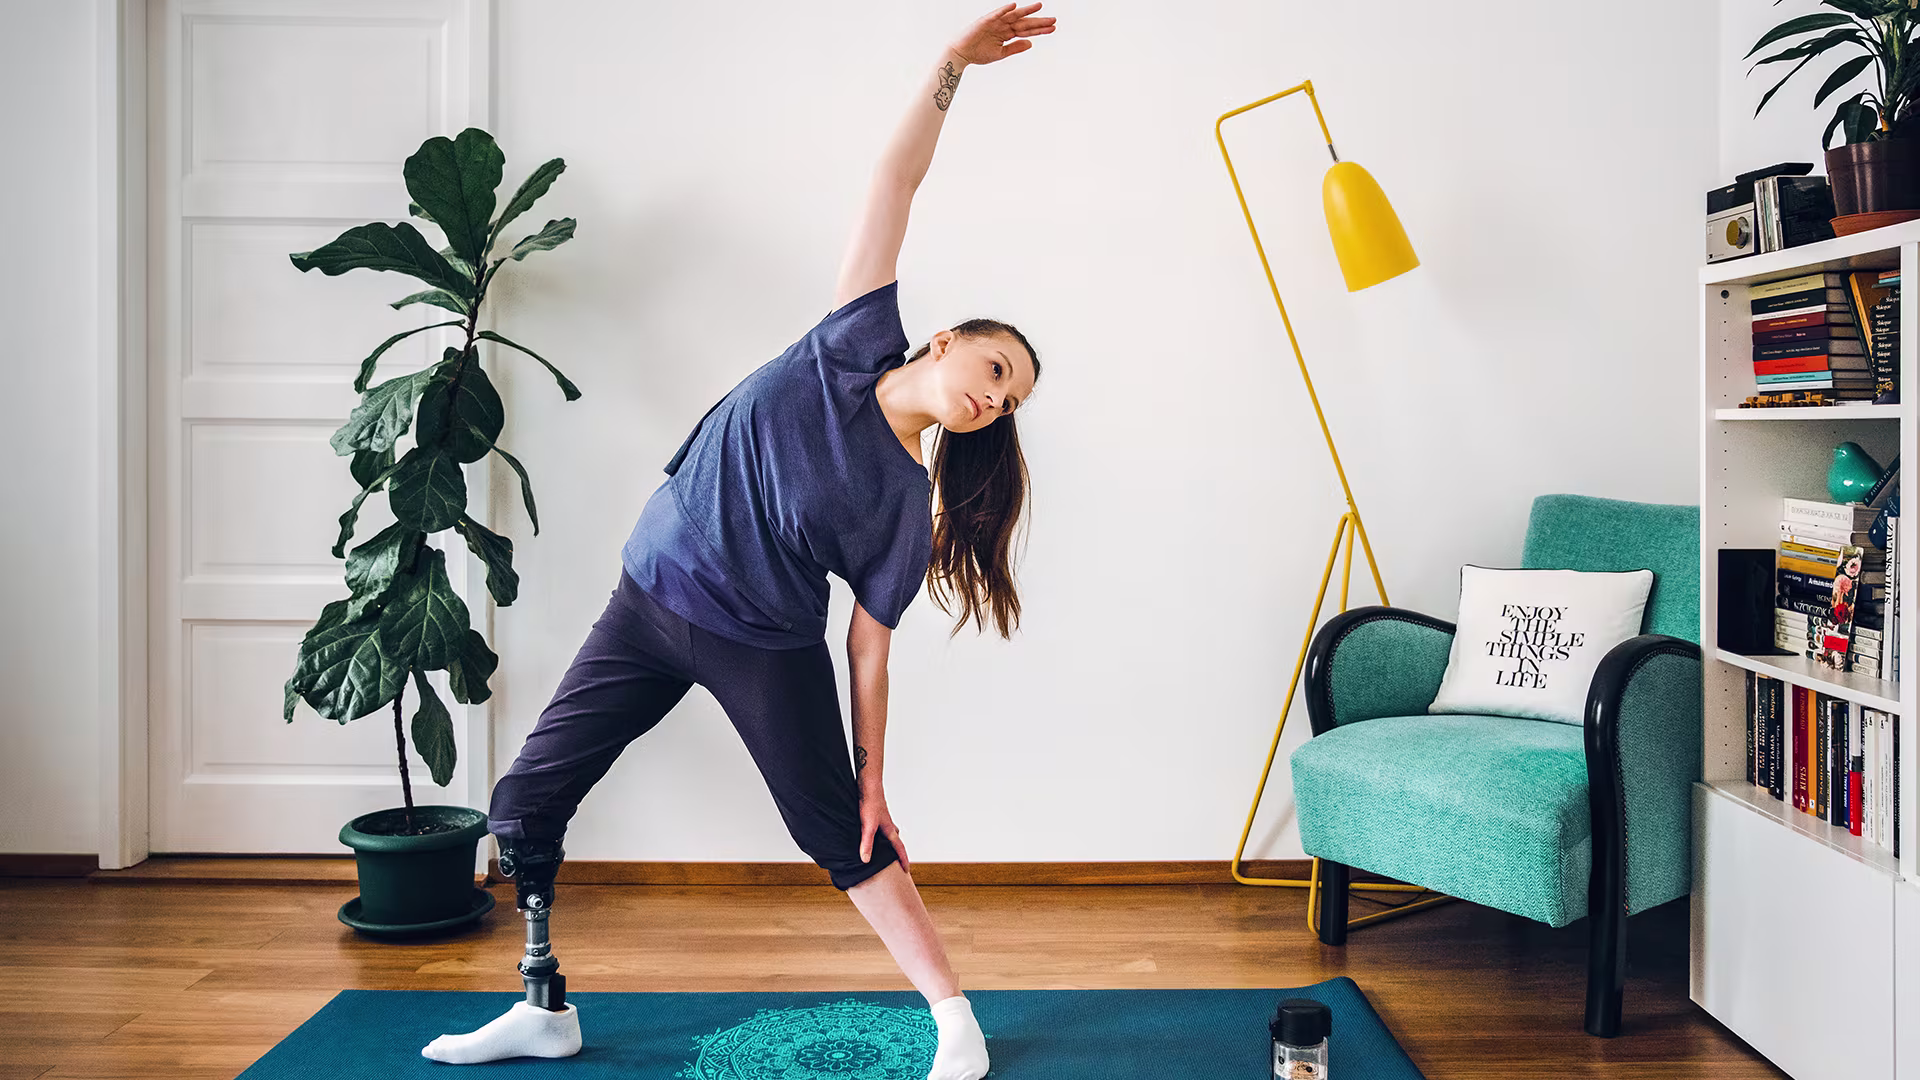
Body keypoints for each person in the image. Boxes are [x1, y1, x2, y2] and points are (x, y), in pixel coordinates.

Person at [419, 7, 1054, 1078]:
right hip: (646, 598)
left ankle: (953, 1017)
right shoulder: (855, 336)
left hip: (758, 645)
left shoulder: (905, 500)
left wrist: (875, 779)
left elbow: (868, 648)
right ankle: (543, 1005)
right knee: (523, 804)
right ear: (948, 342)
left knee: (840, 837)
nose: (994, 401)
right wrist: (950, 66)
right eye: (994, 371)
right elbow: (893, 186)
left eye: (1010, 402)